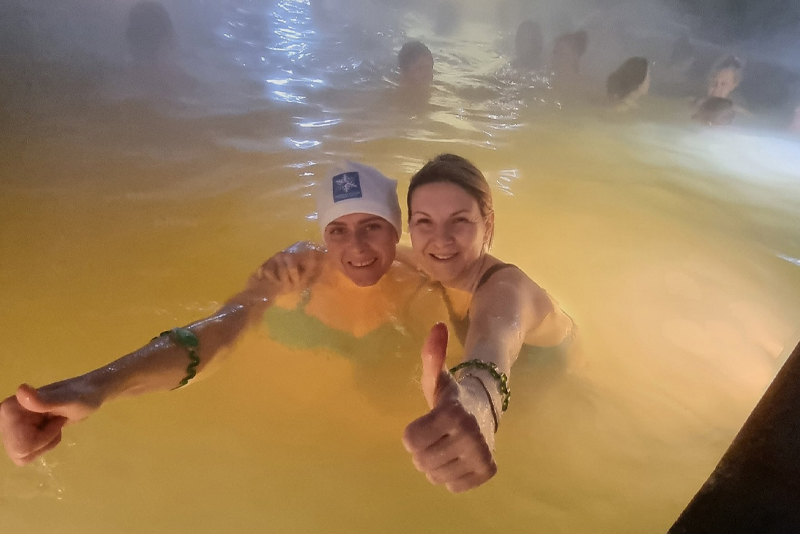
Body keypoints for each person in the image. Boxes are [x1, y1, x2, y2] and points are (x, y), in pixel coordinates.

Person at [0, 161, 429, 467]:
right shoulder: (296, 272)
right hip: (257, 432)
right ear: (325, 235)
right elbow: (225, 327)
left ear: (396, 229)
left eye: (372, 226)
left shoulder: (421, 284)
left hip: (344, 446)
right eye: (338, 230)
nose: (355, 246)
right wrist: (101, 384)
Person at [268, 154, 575, 492]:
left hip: (551, 391)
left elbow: (495, 340)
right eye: (425, 222)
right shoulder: (422, 259)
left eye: (459, 221)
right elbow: (349, 252)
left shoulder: (506, 289)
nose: (441, 239)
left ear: (488, 226)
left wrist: (477, 405)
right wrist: (297, 257)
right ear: (409, 227)